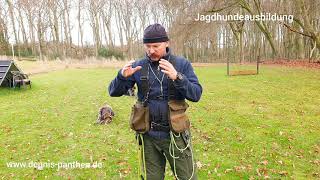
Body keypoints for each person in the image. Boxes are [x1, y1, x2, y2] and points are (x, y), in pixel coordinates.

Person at [108, 23, 202, 180]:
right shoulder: (138, 66)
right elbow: (113, 92)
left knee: (187, 177)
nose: (151, 50)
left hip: (176, 136)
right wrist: (121, 77)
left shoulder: (181, 64)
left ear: (167, 43)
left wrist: (177, 77)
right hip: (148, 137)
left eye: (156, 46)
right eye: (148, 46)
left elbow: (196, 94)